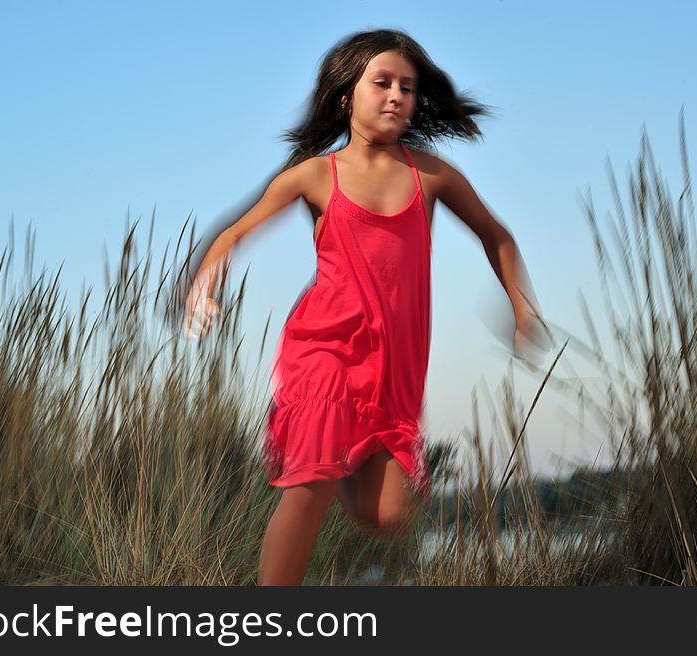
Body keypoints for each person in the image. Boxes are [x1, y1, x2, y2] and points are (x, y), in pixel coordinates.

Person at [184, 28, 553, 586]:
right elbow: (234, 233)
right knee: (308, 484)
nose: (396, 96)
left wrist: (523, 309)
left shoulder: (430, 175)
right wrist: (204, 286)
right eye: (381, 83)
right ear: (345, 96)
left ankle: (339, 461)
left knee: (387, 516)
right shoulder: (315, 176)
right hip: (325, 350)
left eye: (407, 87)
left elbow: (494, 234)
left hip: (393, 372)